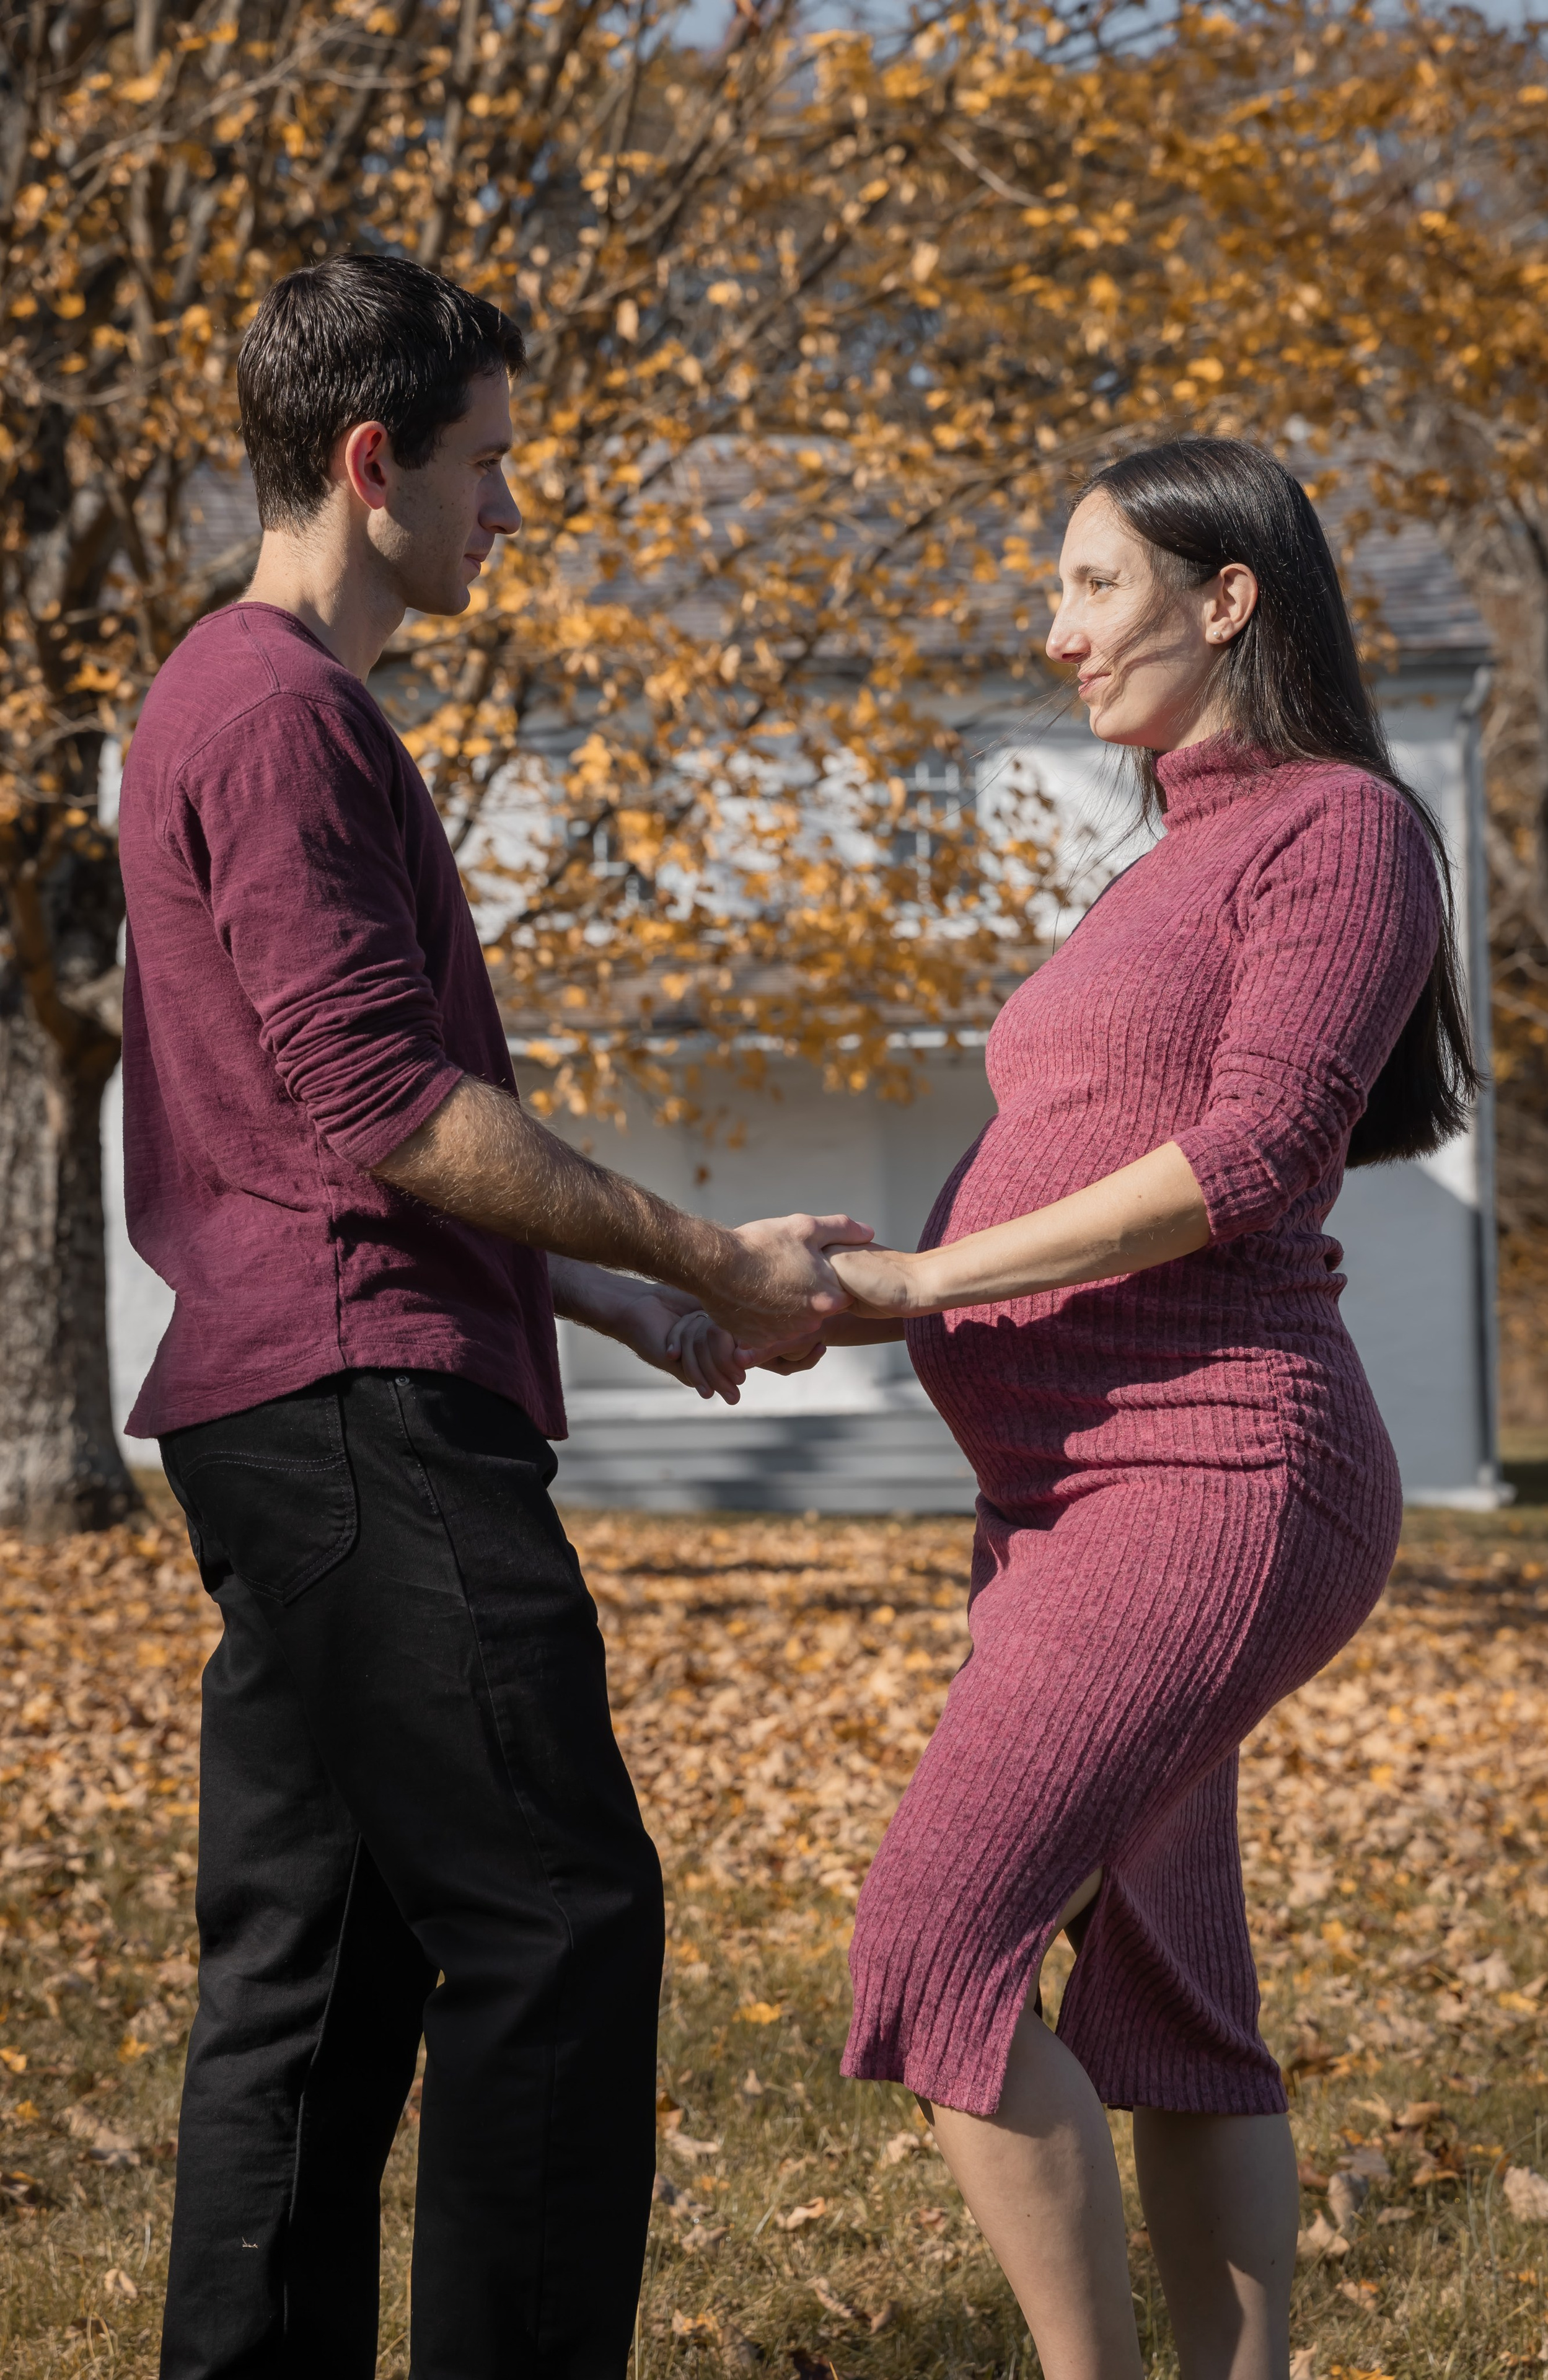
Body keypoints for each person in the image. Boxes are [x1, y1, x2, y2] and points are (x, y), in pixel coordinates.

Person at [117, 252, 869, 2380]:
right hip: (365, 1416)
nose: (506, 513)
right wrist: (707, 1250)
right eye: (487, 468)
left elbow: (319, 1119)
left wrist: (619, 1307)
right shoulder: (279, 715)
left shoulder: (233, 701)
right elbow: (381, 1109)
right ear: (374, 467)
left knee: (318, 1976)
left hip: (293, 1401)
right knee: (554, 1927)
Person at [813, 438, 1479, 2380]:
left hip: (1216, 1463)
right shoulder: (1173, 854)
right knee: (1177, 2001)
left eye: (1097, 584)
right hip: (1076, 1489)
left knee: (932, 1950)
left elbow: (1260, 1152)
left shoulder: (1338, 830)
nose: (1060, 629)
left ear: (1228, 596)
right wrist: (856, 1289)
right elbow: (1082, 1138)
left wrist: (937, 1283)